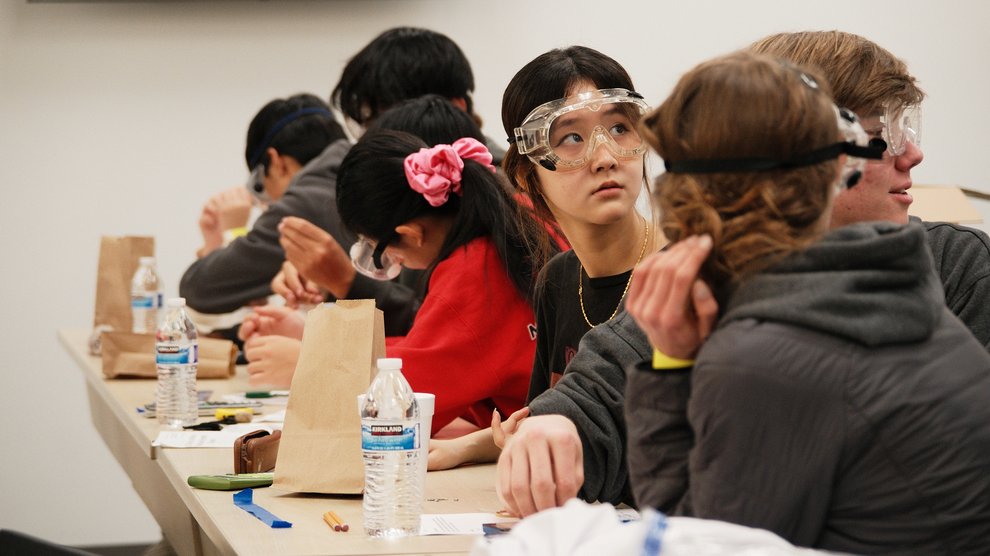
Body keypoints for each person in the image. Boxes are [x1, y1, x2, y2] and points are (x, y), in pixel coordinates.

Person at [624, 51, 990, 554]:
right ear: (839, 172)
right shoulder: (891, 292)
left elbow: (689, 544)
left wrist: (669, 367)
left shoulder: (766, 356)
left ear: (692, 197)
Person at [432, 47, 663, 494]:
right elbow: (547, 419)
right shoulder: (558, 280)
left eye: (620, 128)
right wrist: (467, 447)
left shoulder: (685, 274)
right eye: (571, 138)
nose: (606, 157)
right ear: (524, 173)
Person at [179, 27, 483, 338]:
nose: (373, 137)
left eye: (378, 121)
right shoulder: (456, 193)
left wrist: (343, 284)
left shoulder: (491, 208)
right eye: (364, 124)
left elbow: (439, 335)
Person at [750, 30, 990, 350]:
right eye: (879, 138)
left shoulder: (956, 265)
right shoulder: (692, 279)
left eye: (903, 133)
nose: (913, 156)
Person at [239, 95, 488, 387]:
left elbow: (422, 379)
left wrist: (314, 360)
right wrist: (315, 336)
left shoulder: (470, 269)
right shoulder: (468, 249)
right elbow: (419, 342)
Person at [335, 128, 556, 433]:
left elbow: (396, 407)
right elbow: (435, 349)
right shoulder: (525, 215)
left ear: (411, 234)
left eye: (377, 249)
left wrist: (320, 361)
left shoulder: (469, 278)